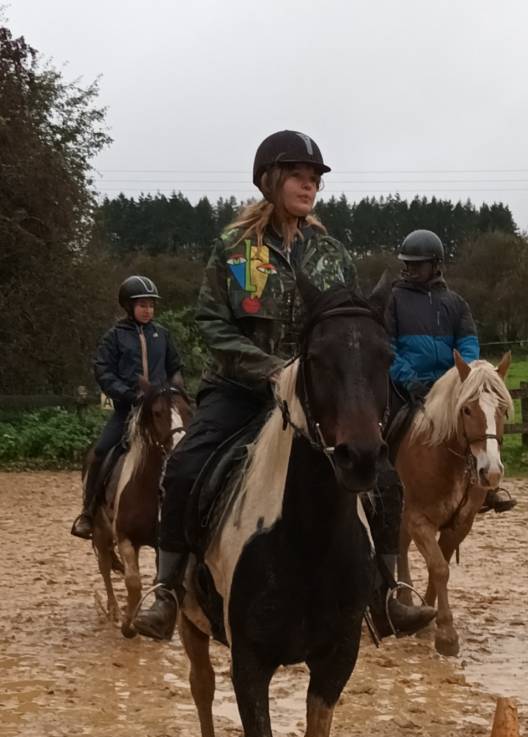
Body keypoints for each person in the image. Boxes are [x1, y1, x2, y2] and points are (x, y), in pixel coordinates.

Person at [133, 130, 436, 641]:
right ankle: (166, 589)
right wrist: (269, 367)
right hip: (240, 389)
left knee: (382, 473)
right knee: (184, 465)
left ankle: (388, 592)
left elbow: (347, 327)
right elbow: (212, 322)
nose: (309, 185)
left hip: (315, 397)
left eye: (314, 178)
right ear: (270, 180)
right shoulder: (233, 249)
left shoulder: (332, 254)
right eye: (298, 175)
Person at [386, 228, 515, 513]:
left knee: (481, 423)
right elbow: (388, 347)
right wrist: (409, 380)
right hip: (406, 386)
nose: (410, 269)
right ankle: (378, 483)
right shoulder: (393, 300)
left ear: (435, 264)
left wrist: (459, 378)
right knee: (385, 428)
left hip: (450, 388)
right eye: (408, 264)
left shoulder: (456, 303)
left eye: (417, 264)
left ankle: (487, 489)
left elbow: (468, 344)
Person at [70, 276, 183, 539]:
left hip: (160, 410)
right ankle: (88, 512)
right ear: (129, 307)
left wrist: (175, 390)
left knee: (184, 446)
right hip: (128, 409)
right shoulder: (115, 337)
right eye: (142, 305)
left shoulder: (162, 335)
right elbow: (104, 371)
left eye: (151, 305)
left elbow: (175, 367)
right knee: (100, 452)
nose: (148, 310)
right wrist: (128, 394)